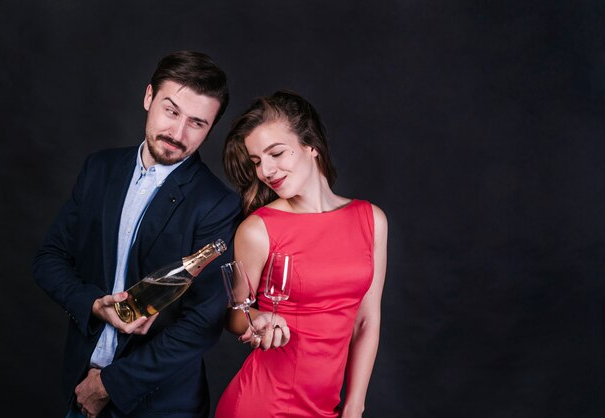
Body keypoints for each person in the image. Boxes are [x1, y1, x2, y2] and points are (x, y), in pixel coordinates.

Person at [32, 50, 242, 418]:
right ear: (148, 97)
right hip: (80, 388)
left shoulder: (218, 204)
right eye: (171, 111)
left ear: (211, 128)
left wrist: (110, 385)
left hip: (159, 405)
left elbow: (202, 324)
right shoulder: (99, 168)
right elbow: (48, 260)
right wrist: (94, 304)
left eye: (197, 123)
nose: (178, 133)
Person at [214, 90, 388, 418]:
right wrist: (258, 319)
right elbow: (237, 314)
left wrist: (354, 406)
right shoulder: (257, 229)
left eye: (276, 153)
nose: (265, 170)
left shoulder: (372, 220)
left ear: (311, 146)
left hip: (329, 408)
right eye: (256, 161)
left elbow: (366, 320)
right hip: (264, 405)